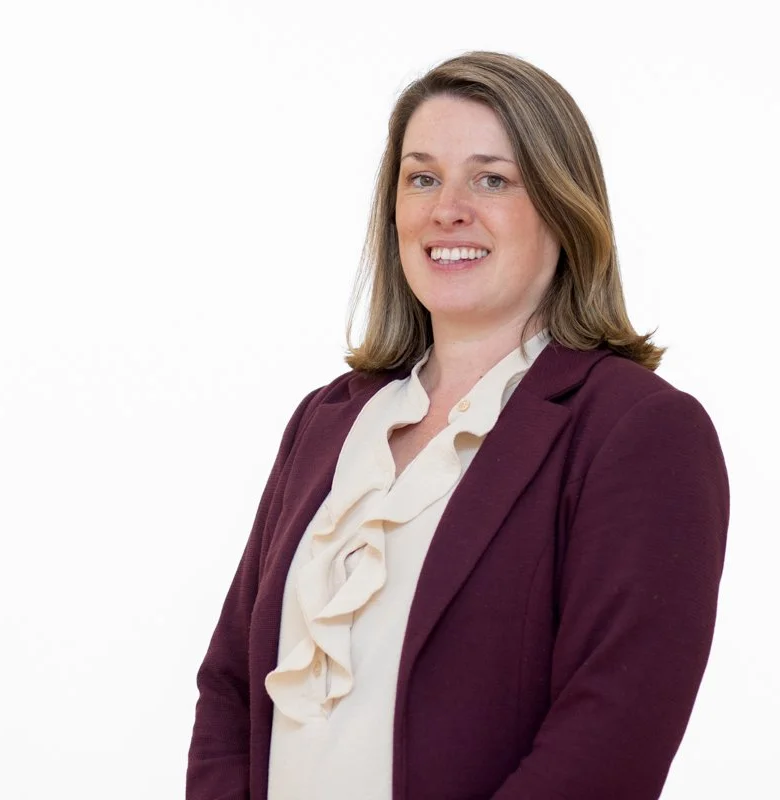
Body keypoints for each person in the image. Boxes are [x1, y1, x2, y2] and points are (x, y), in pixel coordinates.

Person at [187, 51, 729, 800]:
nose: (448, 209)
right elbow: (230, 689)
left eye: (492, 178)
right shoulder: (328, 421)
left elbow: (613, 735)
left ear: (564, 209)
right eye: (422, 177)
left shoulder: (638, 431)